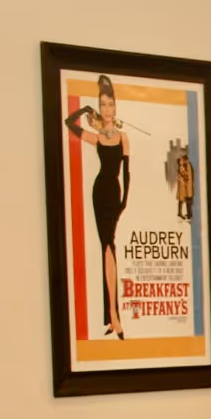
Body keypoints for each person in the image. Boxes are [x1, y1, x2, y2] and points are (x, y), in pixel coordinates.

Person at [63, 75, 130, 339]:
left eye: (110, 104)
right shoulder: (97, 138)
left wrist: (124, 202)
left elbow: (128, 174)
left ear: (115, 107)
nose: (107, 109)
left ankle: (112, 317)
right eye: (102, 105)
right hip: (99, 191)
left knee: (109, 246)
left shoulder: (123, 136)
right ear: (99, 108)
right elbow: (69, 123)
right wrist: (84, 110)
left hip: (114, 193)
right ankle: (113, 317)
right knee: (107, 246)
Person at [175, 148, 194, 222]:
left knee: (186, 199)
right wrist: (186, 176)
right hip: (184, 184)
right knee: (183, 199)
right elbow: (182, 171)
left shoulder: (187, 162)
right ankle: (185, 214)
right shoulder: (183, 161)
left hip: (187, 184)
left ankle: (188, 214)